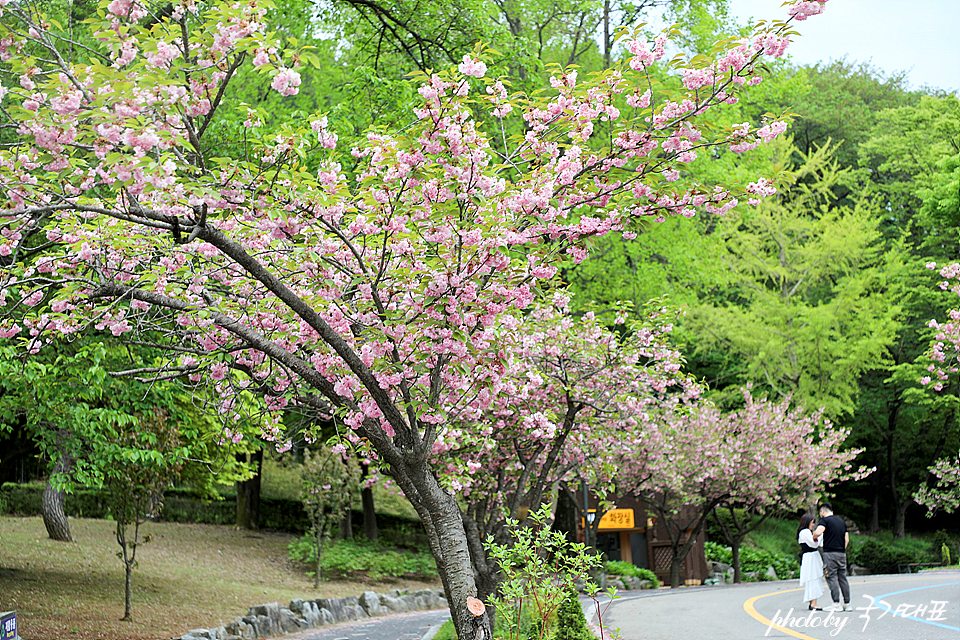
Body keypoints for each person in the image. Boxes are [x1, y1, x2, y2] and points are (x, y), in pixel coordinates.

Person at [814, 503, 850, 612]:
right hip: (842, 554)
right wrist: (841, 549)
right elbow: (847, 539)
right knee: (842, 577)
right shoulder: (841, 522)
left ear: (822, 512)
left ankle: (836, 603)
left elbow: (818, 532)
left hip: (830, 553)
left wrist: (813, 536)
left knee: (831, 577)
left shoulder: (825, 520)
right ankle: (847, 603)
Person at [797, 513, 826, 610]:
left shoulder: (806, 532)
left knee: (814, 578)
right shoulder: (805, 532)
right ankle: (813, 603)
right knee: (813, 578)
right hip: (810, 557)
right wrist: (820, 535)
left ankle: (813, 602)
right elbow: (813, 544)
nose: (813, 525)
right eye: (812, 523)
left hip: (811, 557)